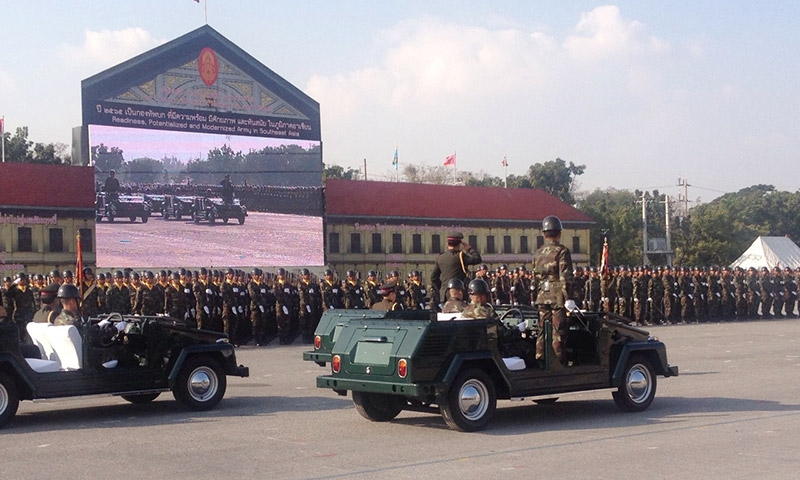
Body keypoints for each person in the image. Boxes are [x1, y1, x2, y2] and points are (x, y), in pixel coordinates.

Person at [531, 215, 574, 366]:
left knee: (543, 330)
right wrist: (568, 297)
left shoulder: (538, 253)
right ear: (559, 233)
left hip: (542, 295)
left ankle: (541, 359)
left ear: (544, 234)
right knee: (558, 330)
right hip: (557, 297)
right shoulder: (562, 251)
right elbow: (565, 276)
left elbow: (535, 278)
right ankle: (558, 363)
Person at [431, 232, 482, 302]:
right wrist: (469, 249)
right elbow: (477, 259)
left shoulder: (440, 258)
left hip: (445, 294)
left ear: (447, 244)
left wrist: (443, 287)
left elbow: (433, 278)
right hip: (458, 293)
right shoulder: (460, 256)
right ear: (459, 244)